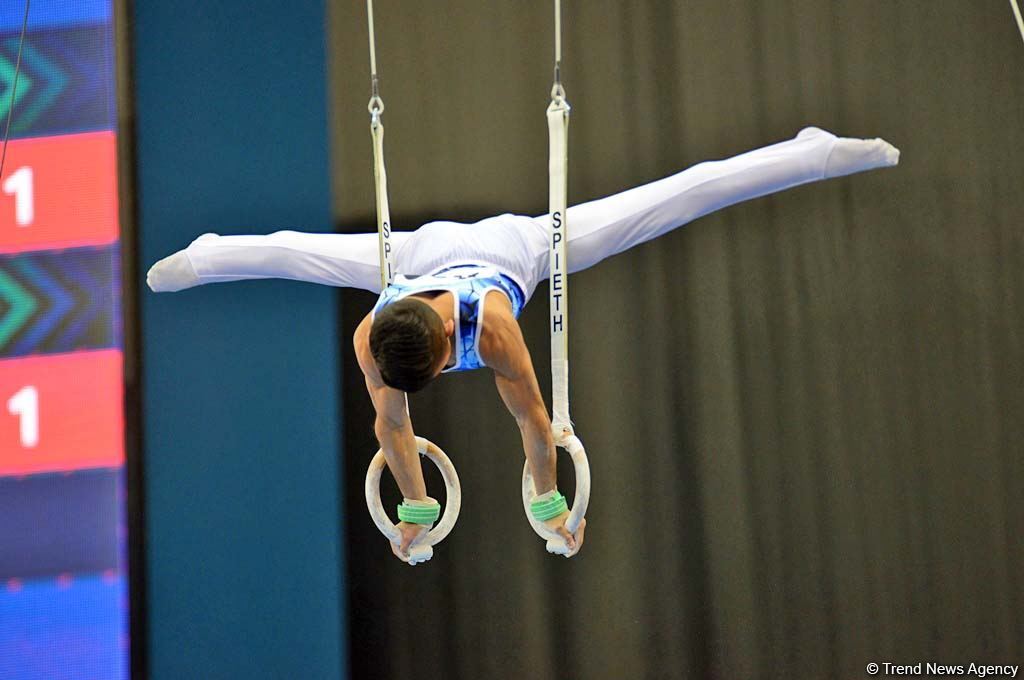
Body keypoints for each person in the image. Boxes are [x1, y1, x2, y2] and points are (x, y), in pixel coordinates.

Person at [147, 126, 899, 561]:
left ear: (447, 337)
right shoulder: (372, 337)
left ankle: (812, 152)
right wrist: (413, 512)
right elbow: (392, 424)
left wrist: (547, 499)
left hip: (517, 251)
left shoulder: (495, 332)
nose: (453, 371)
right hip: (411, 261)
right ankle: (209, 254)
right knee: (291, 256)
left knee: (677, 197)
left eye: (445, 363)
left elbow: (535, 423)